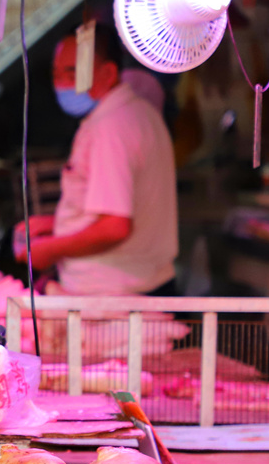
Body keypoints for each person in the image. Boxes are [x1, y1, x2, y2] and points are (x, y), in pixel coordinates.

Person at [17, 25, 179, 296]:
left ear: (108, 73)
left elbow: (115, 227)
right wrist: (54, 224)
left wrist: (49, 249)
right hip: (139, 284)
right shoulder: (139, 112)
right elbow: (114, 207)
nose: (63, 84)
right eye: (57, 74)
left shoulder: (111, 127)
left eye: (73, 73)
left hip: (116, 296)